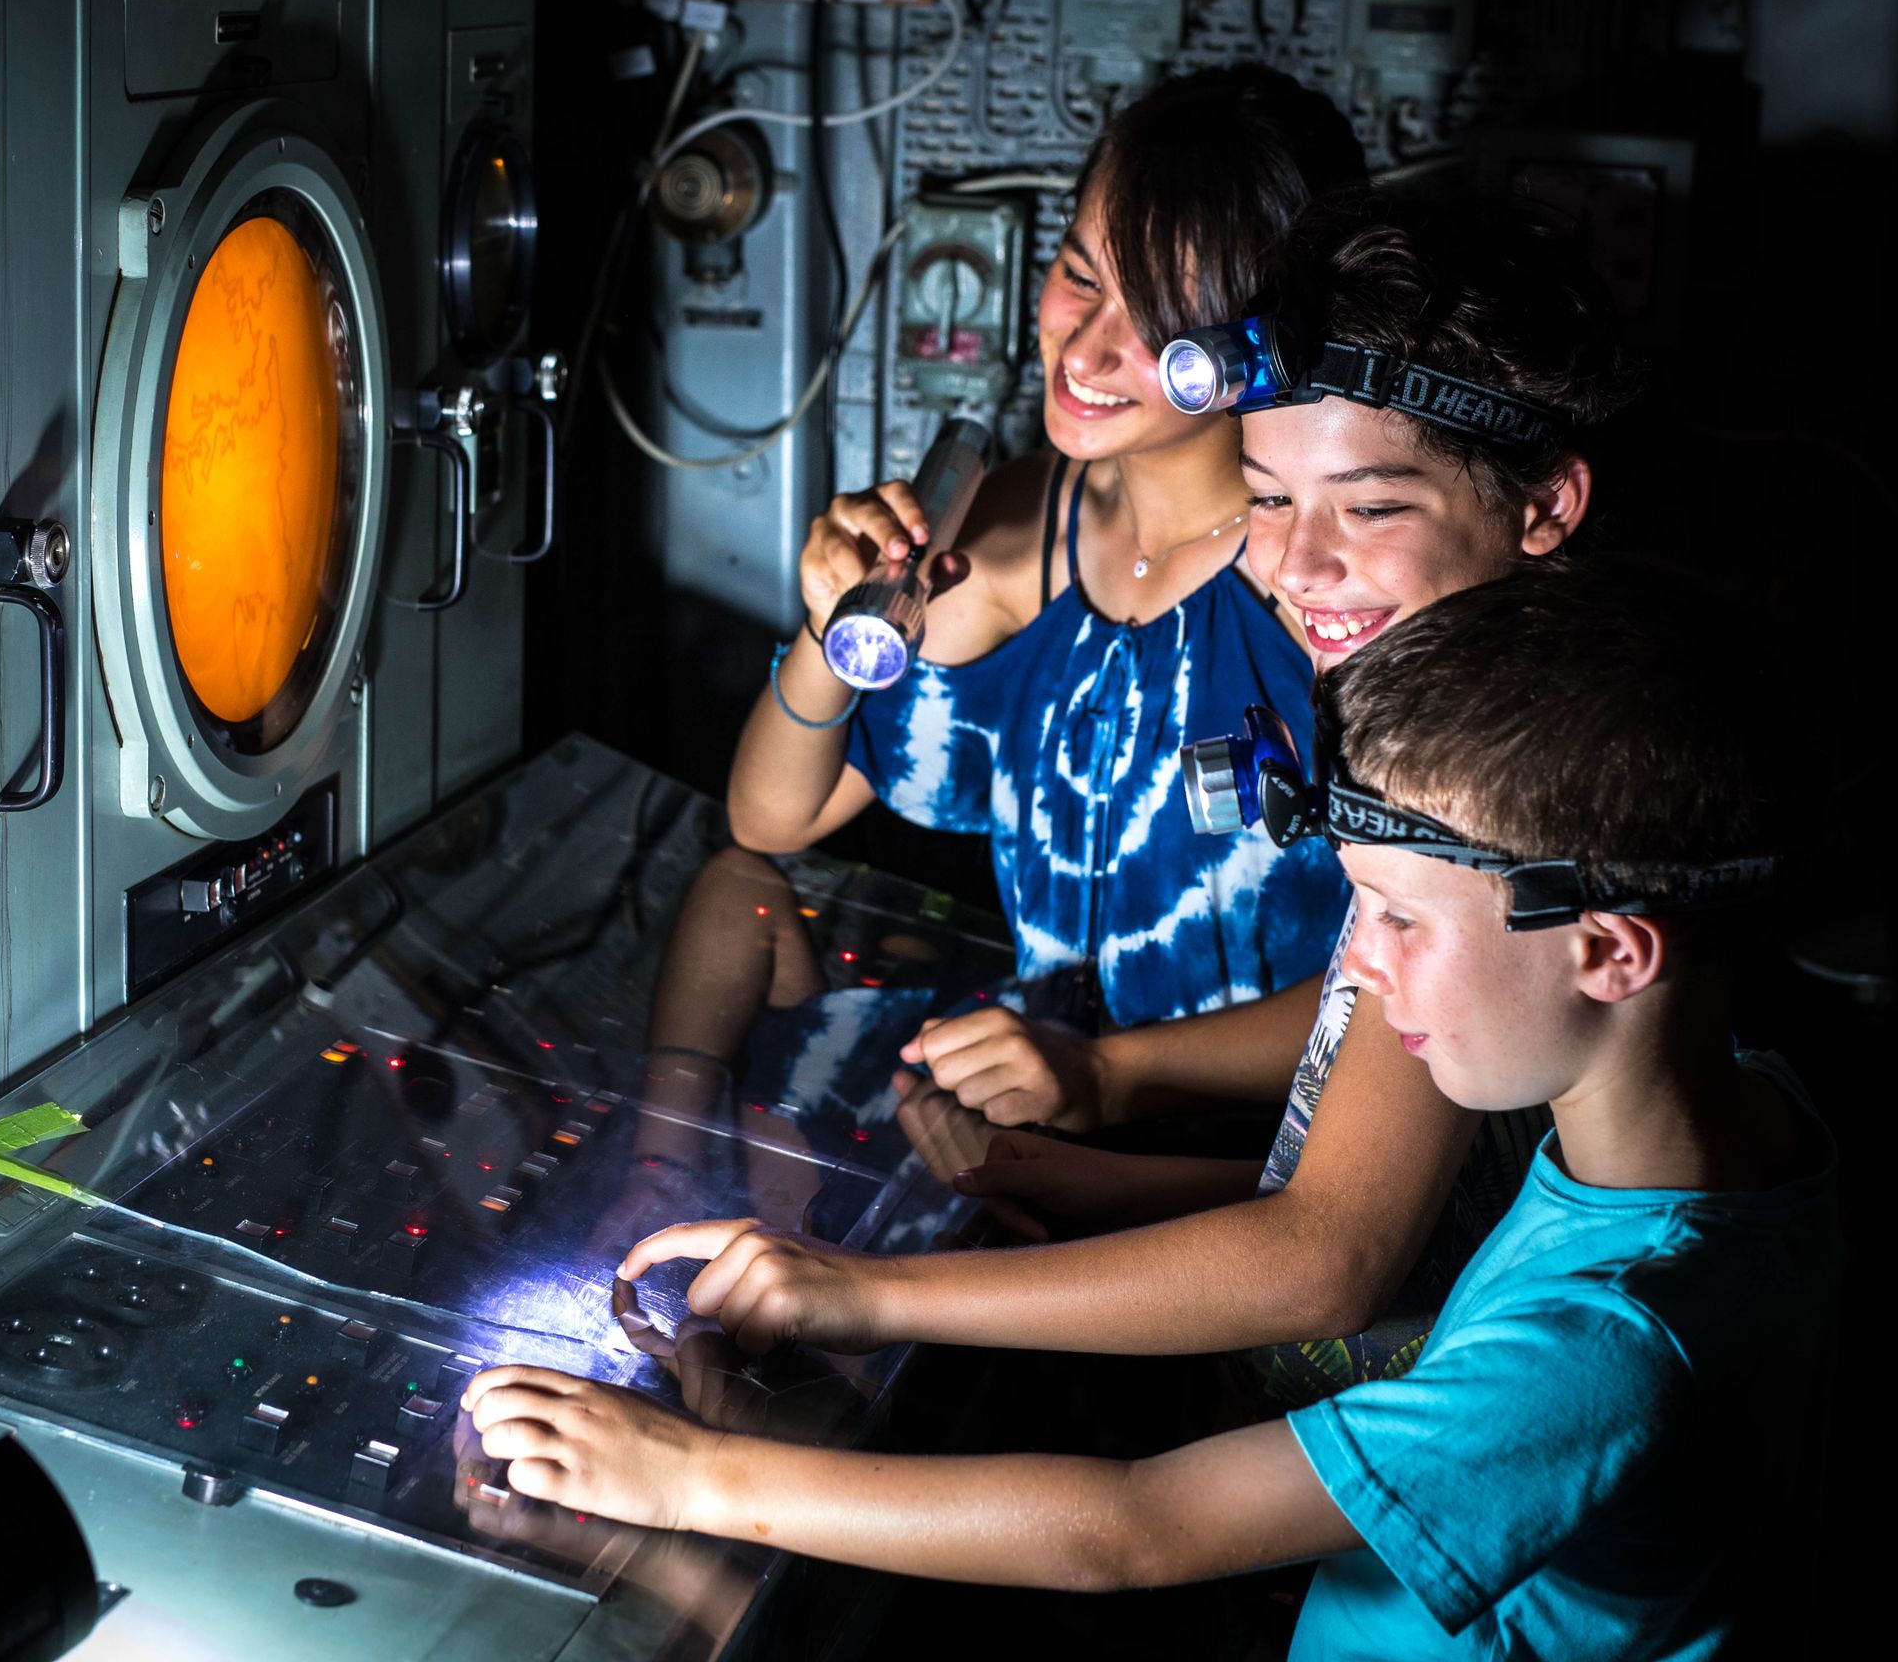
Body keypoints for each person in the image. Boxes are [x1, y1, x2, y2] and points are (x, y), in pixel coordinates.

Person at [466, 557, 1842, 1657]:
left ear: (1609, 951)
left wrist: (687, 1483)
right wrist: (898, 1272)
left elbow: (1127, 1532)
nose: (1353, 967)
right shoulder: (1731, 1125)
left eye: (1398, 917)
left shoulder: (1613, 1346)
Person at [628, 184, 1645, 1403]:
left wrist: (850, 1291)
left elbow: (1324, 1262)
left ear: (1546, 507)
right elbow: (1341, 1165)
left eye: (1371, 506)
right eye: (1266, 500)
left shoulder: (1510, 792)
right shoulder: (1430, 724)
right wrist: (1061, 1174)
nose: (1293, 563)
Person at [646, 64, 1368, 1161]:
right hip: (1026, 1119)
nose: (1085, 352)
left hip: (1255, 1162)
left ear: (1263, 347)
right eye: (1081, 275)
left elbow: (1397, 1004)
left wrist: (1110, 1078)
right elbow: (767, 825)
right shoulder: (1014, 530)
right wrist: (835, 626)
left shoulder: (1328, 590)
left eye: (1159, 323)